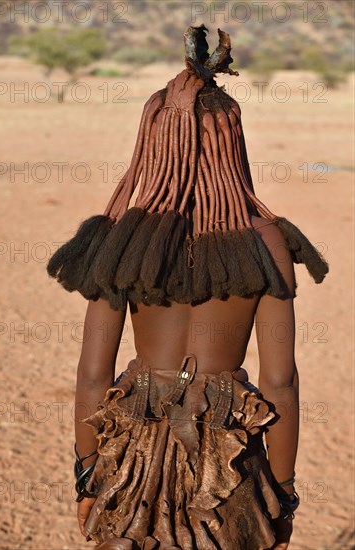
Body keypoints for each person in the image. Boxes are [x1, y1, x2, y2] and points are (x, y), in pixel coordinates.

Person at [47, 25, 329, 550]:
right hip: (228, 466)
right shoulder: (266, 240)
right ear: (233, 146)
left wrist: (87, 479)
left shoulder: (120, 239)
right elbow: (281, 382)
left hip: (132, 459)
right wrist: (282, 495)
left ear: (152, 142)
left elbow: (91, 375)